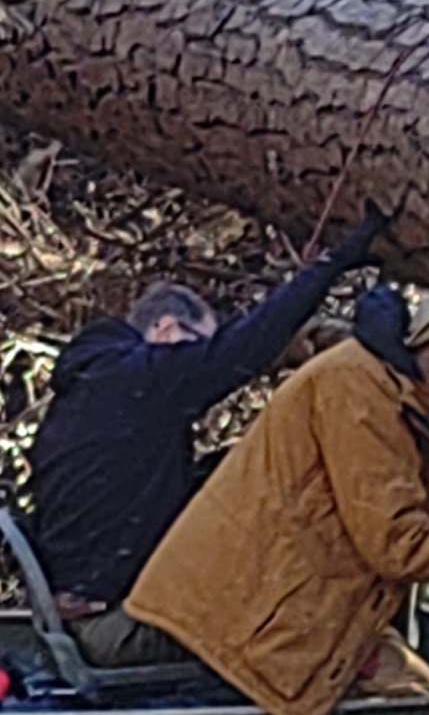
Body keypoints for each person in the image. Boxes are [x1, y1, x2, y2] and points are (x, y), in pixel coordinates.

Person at [122, 285, 429, 715]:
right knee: (413, 694)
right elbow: (398, 545)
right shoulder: (359, 395)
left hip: (288, 602)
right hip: (246, 616)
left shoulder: (419, 407)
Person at [23, 206, 392, 623]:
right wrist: (336, 261)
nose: (194, 359)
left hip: (86, 592)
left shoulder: (98, 382)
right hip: (113, 611)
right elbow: (243, 348)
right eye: (193, 343)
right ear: (164, 330)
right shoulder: (142, 379)